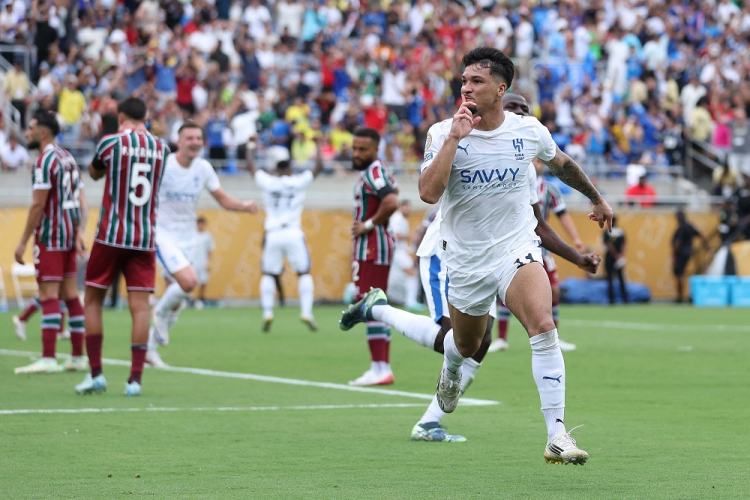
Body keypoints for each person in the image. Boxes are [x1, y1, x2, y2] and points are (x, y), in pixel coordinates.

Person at [417, 48, 613, 464]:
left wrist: (596, 198)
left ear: (500, 89)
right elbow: (428, 193)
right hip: (466, 259)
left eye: (477, 81)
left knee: (543, 325)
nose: (466, 88)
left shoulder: (527, 131)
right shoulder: (442, 132)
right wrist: (454, 138)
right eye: (464, 81)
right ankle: (451, 368)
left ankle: (557, 435)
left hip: (516, 248)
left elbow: (561, 164)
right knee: (467, 345)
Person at [340, 149, 601, 443]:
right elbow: (429, 192)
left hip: (490, 259)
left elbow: (537, 223)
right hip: (447, 254)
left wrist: (577, 258)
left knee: (481, 342)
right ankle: (377, 309)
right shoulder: (475, 150)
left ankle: (428, 422)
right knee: (452, 336)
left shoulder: (524, 168)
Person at [75, 97, 170, 396]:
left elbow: (94, 173)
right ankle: (135, 381)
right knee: (140, 307)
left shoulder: (111, 142)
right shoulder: (162, 147)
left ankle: (96, 375)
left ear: (120, 117)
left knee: (93, 301)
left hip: (111, 235)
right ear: (146, 116)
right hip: (144, 238)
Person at [147, 123, 258, 368]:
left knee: (177, 300)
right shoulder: (164, 165)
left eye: (198, 138)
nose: (195, 142)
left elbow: (221, 198)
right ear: (179, 141)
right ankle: (158, 313)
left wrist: (243, 205)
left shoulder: (203, 168)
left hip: (187, 237)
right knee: (188, 282)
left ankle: (149, 350)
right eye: (190, 138)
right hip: (163, 235)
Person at [490, 93, 584, 353]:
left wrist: (576, 241)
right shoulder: (506, 173)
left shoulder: (549, 189)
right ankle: (501, 337)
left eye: (540, 160)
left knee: (553, 290)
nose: (537, 163)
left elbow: (560, 216)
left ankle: (554, 336)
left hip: (541, 245)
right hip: (508, 244)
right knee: (504, 292)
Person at [13, 110, 88, 374]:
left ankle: (48, 358)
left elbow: (38, 205)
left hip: (50, 235)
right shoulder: (68, 157)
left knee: (48, 295)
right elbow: (80, 199)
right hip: (68, 234)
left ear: (43, 132)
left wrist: (23, 241)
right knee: (71, 295)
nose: (27, 132)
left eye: (31, 128)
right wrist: (79, 231)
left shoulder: (44, 161)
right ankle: (78, 357)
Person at [246, 138, 323, 332]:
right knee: (303, 272)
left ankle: (267, 312)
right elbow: (319, 167)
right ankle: (306, 312)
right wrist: (319, 145)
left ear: (276, 169)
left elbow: (251, 167)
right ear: (289, 168)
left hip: (273, 233)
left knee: (269, 273)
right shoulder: (297, 181)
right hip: (292, 232)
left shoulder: (269, 182)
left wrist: (250, 146)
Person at [347, 127, 399, 386]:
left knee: (372, 305)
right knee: (373, 305)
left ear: (376, 149)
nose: (357, 154)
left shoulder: (375, 172)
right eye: (355, 148)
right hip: (371, 247)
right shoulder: (374, 170)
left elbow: (391, 202)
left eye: (363, 150)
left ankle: (380, 367)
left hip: (373, 247)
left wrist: (367, 225)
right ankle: (379, 366)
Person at [387, 199, 422, 310]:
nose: (407, 209)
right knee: (412, 273)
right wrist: (412, 236)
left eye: (409, 207)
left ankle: (409, 301)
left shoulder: (403, 220)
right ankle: (410, 302)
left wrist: (409, 249)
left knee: (408, 274)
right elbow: (396, 235)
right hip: (396, 252)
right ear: (400, 207)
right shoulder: (397, 218)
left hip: (399, 251)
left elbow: (401, 241)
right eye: (405, 207)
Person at [672, 210, 707, 303]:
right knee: (685, 274)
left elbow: (677, 242)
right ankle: (685, 296)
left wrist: (674, 255)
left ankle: (680, 297)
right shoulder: (689, 226)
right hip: (689, 252)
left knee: (679, 274)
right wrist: (706, 246)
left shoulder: (681, 227)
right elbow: (700, 234)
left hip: (681, 253)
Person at [603, 216, 628, 305]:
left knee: (610, 279)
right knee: (621, 279)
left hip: (610, 258)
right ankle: (625, 299)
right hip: (618, 258)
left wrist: (615, 255)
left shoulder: (607, 232)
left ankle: (611, 300)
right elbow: (624, 244)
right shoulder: (620, 231)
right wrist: (620, 255)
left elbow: (608, 245)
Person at [193, 217, 215, 306]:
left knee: (203, 281)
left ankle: (201, 299)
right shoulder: (192, 235)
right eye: (199, 223)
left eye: (202, 224)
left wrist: (209, 262)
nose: (200, 226)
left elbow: (210, 250)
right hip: (192, 262)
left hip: (203, 262)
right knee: (190, 281)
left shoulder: (207, 236)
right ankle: (188, 300)